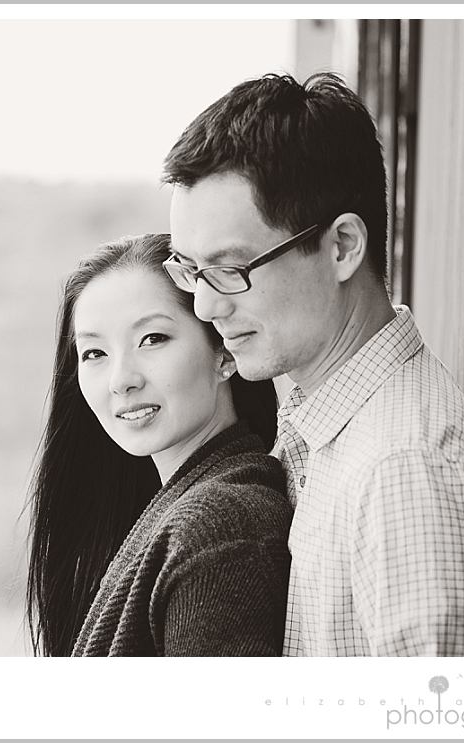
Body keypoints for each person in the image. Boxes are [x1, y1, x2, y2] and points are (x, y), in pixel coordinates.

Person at [161, 73, 464, 656]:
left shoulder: (403, 473)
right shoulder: (322, 427)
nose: (205, 305)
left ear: (343, 246)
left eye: (230, 270)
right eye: (191, 271)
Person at [26, 233, 292, 656]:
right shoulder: (183, 512)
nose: (121, 380)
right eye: (94, 353)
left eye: (152, 339)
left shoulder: (217, 531)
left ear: (224, 352)